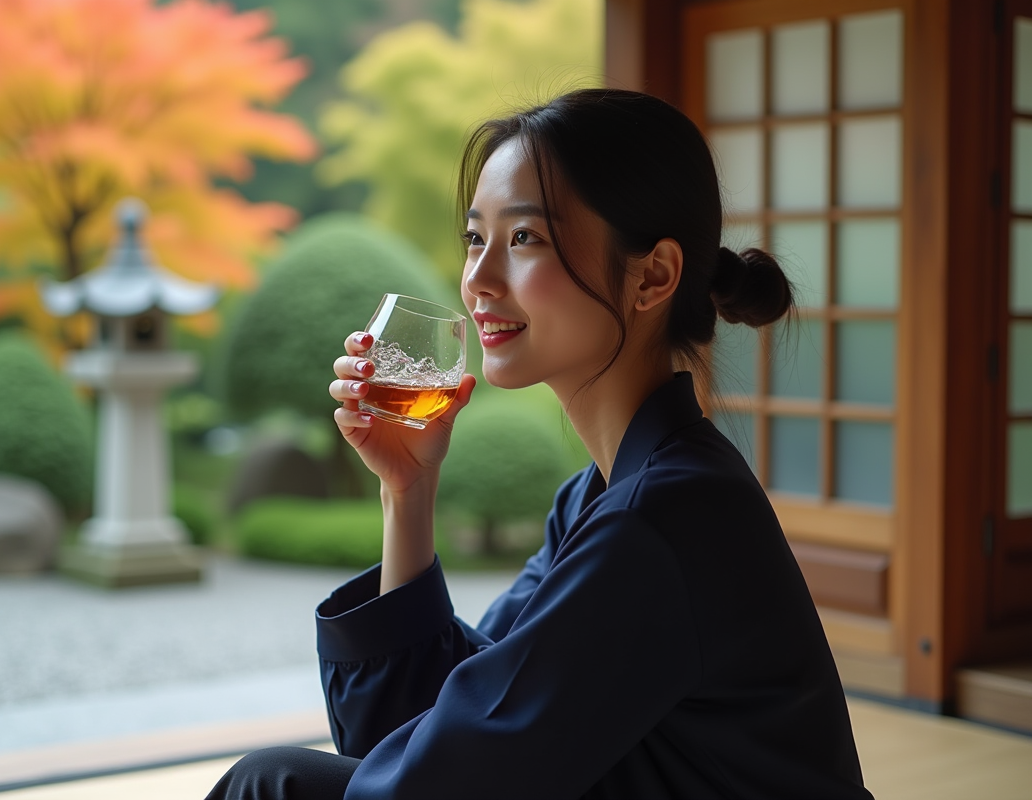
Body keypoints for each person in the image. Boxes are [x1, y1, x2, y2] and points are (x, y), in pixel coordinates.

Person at [205, 88, 873, 800]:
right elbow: (438, 716)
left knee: (271, 785)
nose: (479, 280)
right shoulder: (601, 497)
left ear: (653, 276)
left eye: (524, 238)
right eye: (474, 239)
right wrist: (408, 493)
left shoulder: (660, 517)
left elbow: (443, 778)